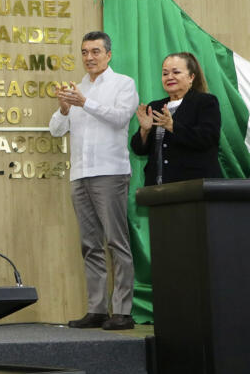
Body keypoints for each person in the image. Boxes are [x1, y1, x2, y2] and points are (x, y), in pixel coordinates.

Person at [49, 31, 138, 330]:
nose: (89, 57)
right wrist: (64, 108)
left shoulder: (123, 84)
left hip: (110, 172)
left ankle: (123, 311)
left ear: (108, 54)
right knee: (90, 245)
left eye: (95, 51)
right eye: (85, 52)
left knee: (117, 242)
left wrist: (85, 103)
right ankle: (97, 309)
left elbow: (120, 118)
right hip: (80, 173)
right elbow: (56, 130)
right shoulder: (77, 87)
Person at [131, 52, 222, 185]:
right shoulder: (155, 107)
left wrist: (173, 126)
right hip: (158, 188)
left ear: (191, 77)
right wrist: (145, 131)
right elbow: (139, 150)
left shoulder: (205, 102)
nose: (170, 77)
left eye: (176, 72)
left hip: (194, 187)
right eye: (165, 73)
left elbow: (207, 138)